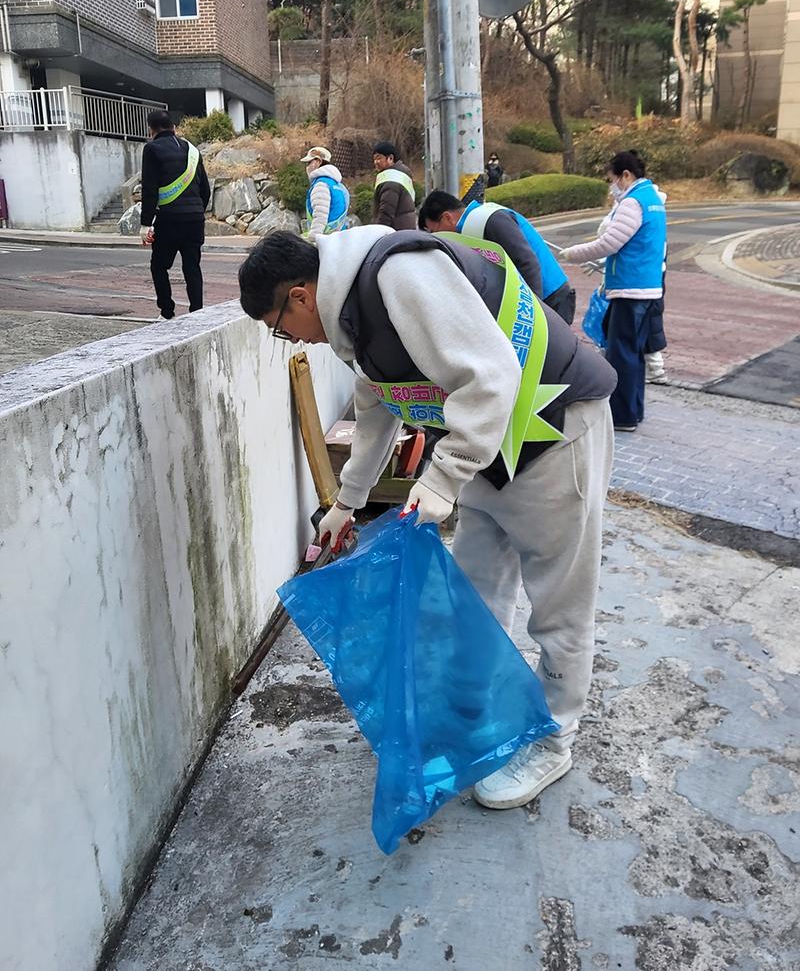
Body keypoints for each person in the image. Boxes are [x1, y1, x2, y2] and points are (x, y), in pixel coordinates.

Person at [238, 225, 617, 811]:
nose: (292, 341)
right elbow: (376, 407)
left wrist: (440, 478)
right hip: (490, 453)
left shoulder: (399, 275)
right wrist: (347, 501)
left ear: (300, 295)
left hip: (554, 435)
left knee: (559, 606)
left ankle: (554, 739)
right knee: (472, 595)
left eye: (280, 328)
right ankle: (478, 715)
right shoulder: (354, 316)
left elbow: (490, 376)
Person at [561, 151, 667, 431]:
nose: (612, 186)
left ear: (626, 176)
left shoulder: (633, 202)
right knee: (633, 352)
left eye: (613, 180)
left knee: (622, 354)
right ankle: (635, 410)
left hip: (631, 289)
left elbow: (609, 243)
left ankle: (623, 416)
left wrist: (574, 253)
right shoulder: (654, 199)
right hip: (648, 288)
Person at [418, 190, 576, 324]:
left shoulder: (489, 218)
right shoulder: (475, 224)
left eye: (435, 231)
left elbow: (527, 262)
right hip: (541, 300)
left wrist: (534, 315)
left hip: (550, 299)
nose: (437, 237)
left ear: (447, 217)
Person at [139, 109, 211, 320]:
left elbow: (150, 189)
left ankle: (167, 312)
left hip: (169, 220)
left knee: (159, 265)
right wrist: (195, 210)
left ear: (151, 130)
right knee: (192, 266)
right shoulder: (193, 150)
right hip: (195, 220)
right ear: (174, 127)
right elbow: (205, 190)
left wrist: (146, 224)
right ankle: (197, 311)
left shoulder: (151, 149)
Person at [300, 145, 350, 238]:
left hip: (325, 240)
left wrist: (313, 238)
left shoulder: (321, 185)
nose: (307, 167)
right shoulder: (338, 185)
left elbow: (320, 216)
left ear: (318, 162)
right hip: (339, 238)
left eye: (309, 163)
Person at [372, 141, 417, 230]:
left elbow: (386, 211)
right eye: (374, 159)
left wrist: (378, 232)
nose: (375, 162)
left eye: (379, 158)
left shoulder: (391, 179)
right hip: (406, 229)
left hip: (396, 232)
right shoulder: (402, 173)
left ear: (390, 158)